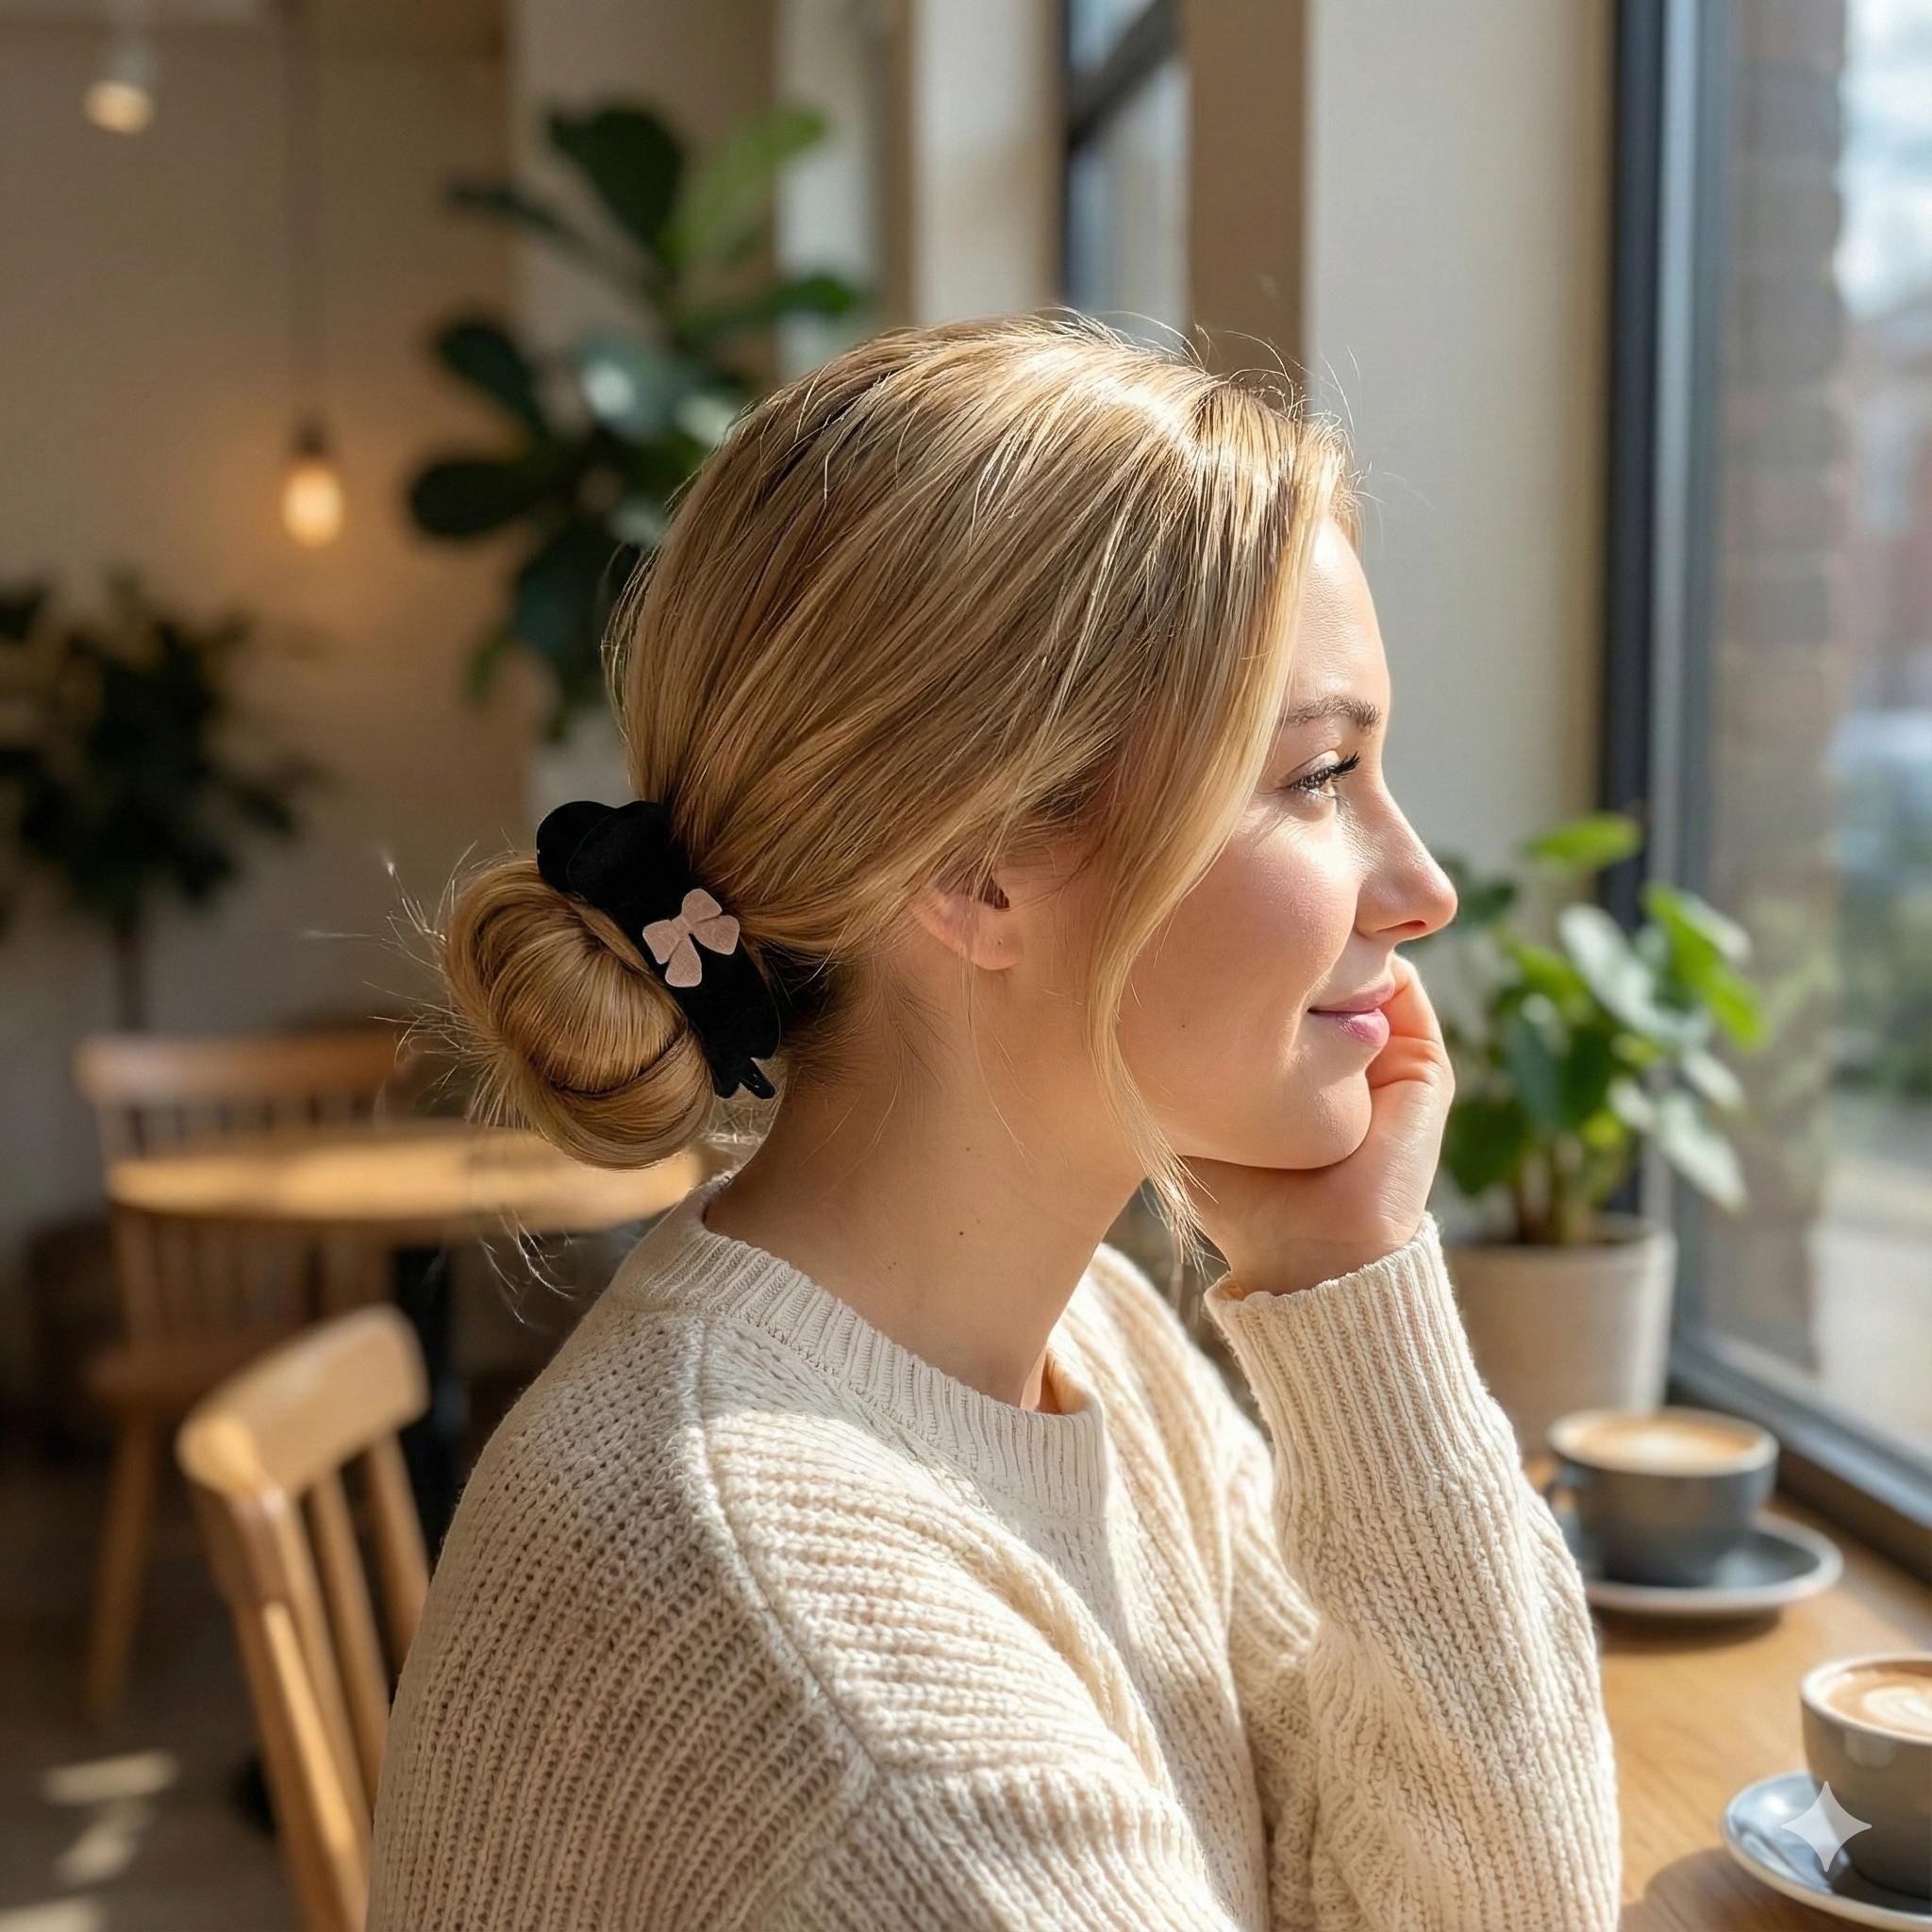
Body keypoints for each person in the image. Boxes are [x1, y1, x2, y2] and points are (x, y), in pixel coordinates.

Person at [367, 313, 1622, 1929]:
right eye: (1320, 776)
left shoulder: (1092, 1341)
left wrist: (1346, 1277)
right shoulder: (844, 1693)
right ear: (974, 868)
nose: (1424, 887)